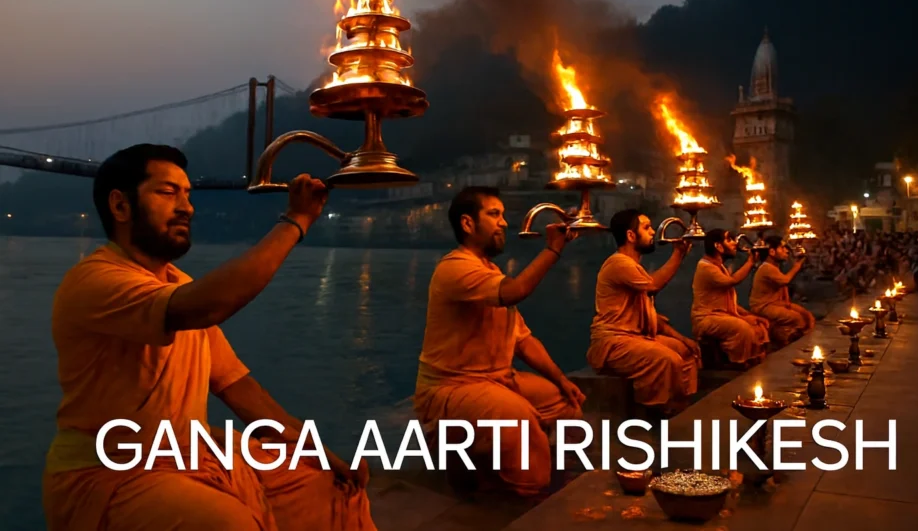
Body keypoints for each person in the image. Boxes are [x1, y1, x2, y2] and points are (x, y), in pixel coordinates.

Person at [42, 144, 374, 531]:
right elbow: (208, 305)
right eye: (168, 193)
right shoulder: (96, 280)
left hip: (186, 452)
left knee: (322, 483)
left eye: (187, 194)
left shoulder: (177, 285)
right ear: (120, 206)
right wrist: (295, 221)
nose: (187, 207)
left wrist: (312, 448)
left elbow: (236, 385)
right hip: (108, 471)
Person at [413, 186, 585, 497]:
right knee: (520, 418)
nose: (504, 223)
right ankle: (498, 475)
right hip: (452, 389)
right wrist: (552, 250)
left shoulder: (489, 271)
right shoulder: (455, 268)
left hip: (496, 380)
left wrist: (561, 379)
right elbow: (516, 290)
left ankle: (522, 467)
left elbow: (523, 340)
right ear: (467, 224)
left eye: (503, 215)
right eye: (494, 214)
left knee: (565, 405)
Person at [586, 209, 701, 418]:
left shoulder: (634, 267)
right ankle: (656, 411)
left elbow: (649, 317)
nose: (653, 231)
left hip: (638, 338)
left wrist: (682, 338)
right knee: (668, 360)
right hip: (614, 343)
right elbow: (654, 285)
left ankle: (680, 405)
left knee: (686, 352)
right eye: (647, 227)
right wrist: (678, 254)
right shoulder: (618, 263)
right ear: (631, 235)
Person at [690, 229, 770, 368]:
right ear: (718, 246)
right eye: (729, 240)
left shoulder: (719, 266)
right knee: (743, 328)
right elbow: (731, 282)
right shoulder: (705, 267)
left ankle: (752, 361)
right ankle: (737, 362)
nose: (734, 243)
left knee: (758, 325)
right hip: (706, 318)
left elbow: (727, 301)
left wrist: (748, 314)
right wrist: (750, 262)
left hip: (722, 314)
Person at [748, 236, 815, 345]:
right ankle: (783, 342)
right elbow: (785, 280)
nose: (786, 251)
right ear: (772, 251)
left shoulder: (774, 267)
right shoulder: (766, 267)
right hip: (763, 306)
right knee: (797, 318)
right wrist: (797, 266)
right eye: (782, 248)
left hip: (776, 303)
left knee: (807, 316)